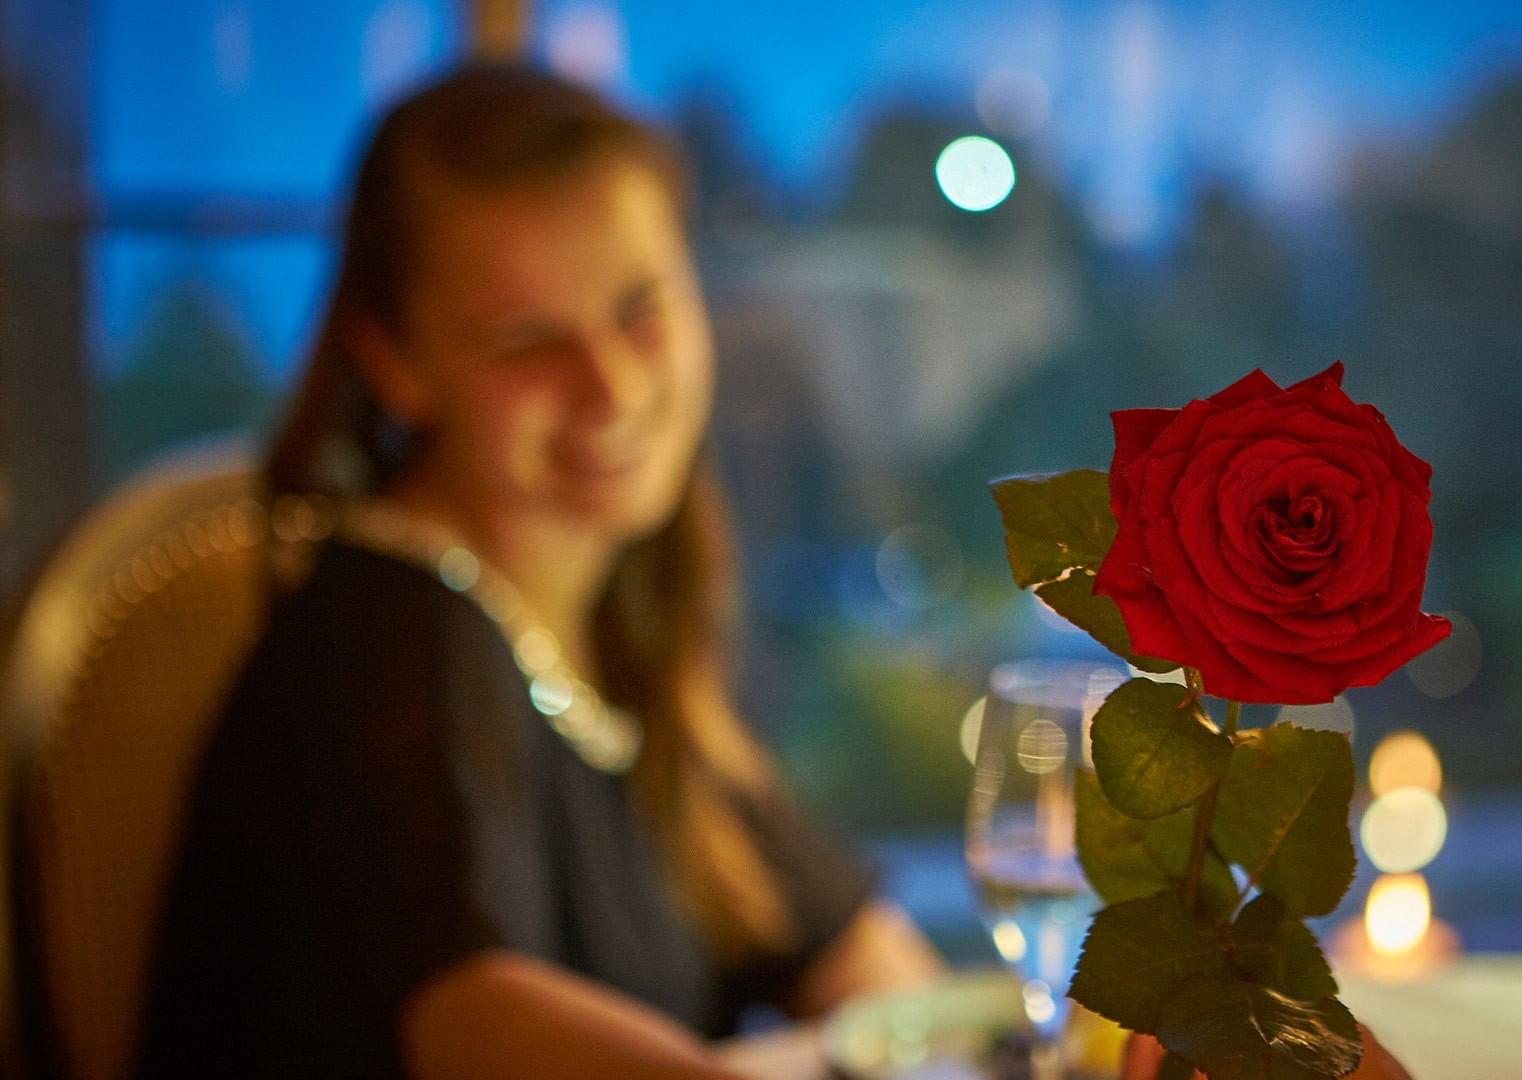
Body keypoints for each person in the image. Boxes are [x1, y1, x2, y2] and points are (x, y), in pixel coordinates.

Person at [134, 63, 943, 1079]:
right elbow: (477, 1021)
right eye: (528, 341)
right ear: (394, 362)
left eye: (640, 307)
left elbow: (851, 950)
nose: (609, 384)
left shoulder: (617, 626)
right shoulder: (378, 646)